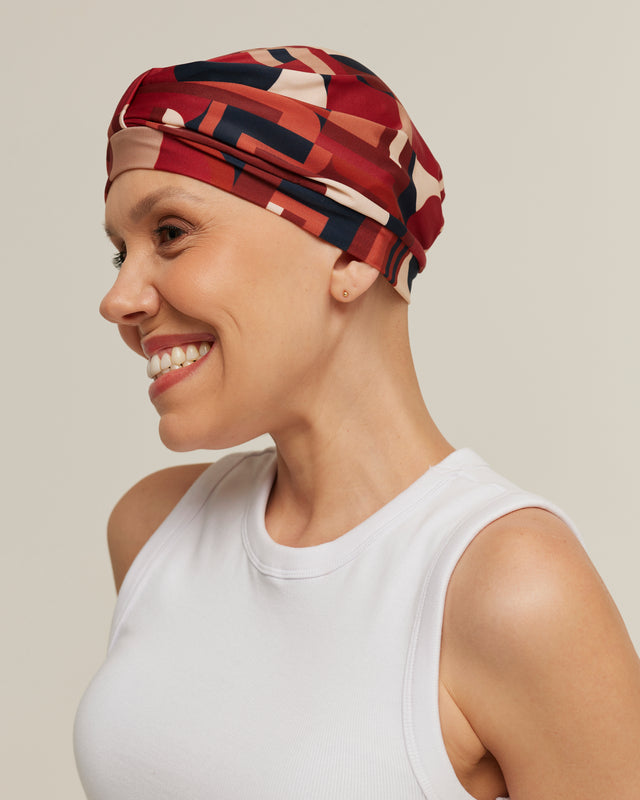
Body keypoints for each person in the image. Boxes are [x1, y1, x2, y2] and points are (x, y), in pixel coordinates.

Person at [74, 46, 640, 800]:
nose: (118, 299)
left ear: (350, 253)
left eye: (171, 233)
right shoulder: (154, 530)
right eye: (119, 253)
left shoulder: (508, 586)